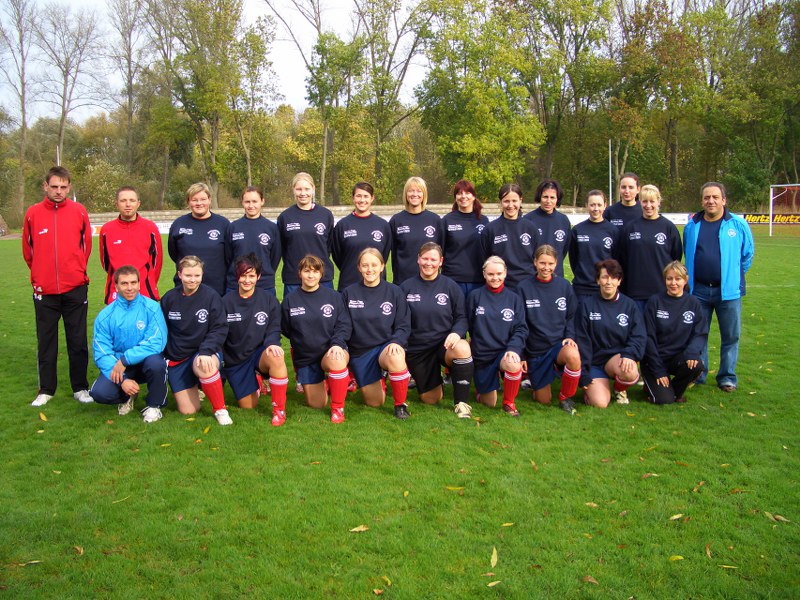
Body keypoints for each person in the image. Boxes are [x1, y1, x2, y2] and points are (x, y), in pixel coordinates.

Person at [22, 165, 93, 407]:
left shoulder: (79, 211)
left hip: (75, 288)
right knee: (46, 342)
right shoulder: (32, 214)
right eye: (54, 186)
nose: (59, 191)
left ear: (69, 187)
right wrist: (40, 277)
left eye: (63, 187)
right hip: (45, 292)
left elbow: (85, 248)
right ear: (46, 186)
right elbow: (28, 252)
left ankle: (80, 387)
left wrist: (76, 272)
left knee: (77, 341)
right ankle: (46, 389)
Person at [683, 182, 754, 392]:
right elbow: (688, 253)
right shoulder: (692, 226)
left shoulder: (738, 225)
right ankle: (699, 374)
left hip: (728, 292)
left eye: (715, 197)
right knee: (698, 334)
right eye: (707, 197)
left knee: (731, 336)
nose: (711, 201)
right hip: (699, 291)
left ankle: (727, 377)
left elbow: (747, 254)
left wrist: (732, 275)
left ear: (724, 200)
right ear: (701, 201)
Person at [400, 242, 474, 418]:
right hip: (418, 349)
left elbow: (462, 317)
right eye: (425, 258)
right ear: (418, 259)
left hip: (444, 344)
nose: (429, 263)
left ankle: (461, 404)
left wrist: (456, 333)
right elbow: (399, 321)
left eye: (433, 259)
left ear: (440, 261)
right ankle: (435, 377)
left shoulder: (450, 286)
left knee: (462, 347)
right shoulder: (406, 287)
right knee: (431, 399)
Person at [89, 265, 168, 422]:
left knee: (156, 363)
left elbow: (156, 341)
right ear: (116, 286)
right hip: (120, 366)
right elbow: (102, 352)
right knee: (100, 393)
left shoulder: (152, 308)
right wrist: (123, 380)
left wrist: (126, 359)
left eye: (133, 283)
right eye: (124, 283)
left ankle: (154, 405)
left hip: (144, 362)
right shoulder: (105, 316)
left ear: (139, 284)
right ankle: (128, 396)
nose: (130, 288)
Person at [160, 256, 233, 425]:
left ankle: (220, 410)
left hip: (202, 352)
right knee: (188, 410)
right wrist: (167, 356)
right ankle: (195, 385)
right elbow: (162, 331)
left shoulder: (211, 296)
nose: (192, 280)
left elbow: (220, 328)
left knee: (204, 364)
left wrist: (206, 351)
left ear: (202, 275)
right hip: (178, 356)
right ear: (180, 275)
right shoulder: (169, 299)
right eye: (188, 275)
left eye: (197, 275)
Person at [281, 254, 352, 423]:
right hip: (306, 357)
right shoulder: (290, 300)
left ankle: (338, 408)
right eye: (307, 271)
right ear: (300, 273)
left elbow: (344, 325)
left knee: (337, 359)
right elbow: (286, 329)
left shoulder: (334, 297)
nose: (311, 275)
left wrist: (337, 344)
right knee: (317, 404)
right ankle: (327, 382)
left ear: (321, 274)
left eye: (315, 271)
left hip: (330, 351)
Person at [342, 248, 412, 419]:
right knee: (375, 402)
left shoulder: (395, 292)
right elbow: (343, 325)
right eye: (365, 265)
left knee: (396, 355)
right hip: (361, 352)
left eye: (374, 265)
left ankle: (400, 405)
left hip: (385, 347)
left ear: (382, 266)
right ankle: (381, 377)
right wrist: (340, 345)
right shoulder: (349, 293)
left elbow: (403, 325)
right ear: (359, 267)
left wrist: (396, 341)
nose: (369, 269)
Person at [516, 245, 582, 415]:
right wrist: (522, 355)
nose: (546, 267)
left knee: (573, 355)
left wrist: (570, 336)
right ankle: (538, 383)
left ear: (556, 263)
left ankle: (566, 397)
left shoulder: (564, 286)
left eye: (550, 263)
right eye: (542, 263)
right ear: (535, 262)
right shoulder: (523, 288)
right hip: (536, 350)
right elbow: (519, 324)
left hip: (557, 345)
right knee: (543, 400)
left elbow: (571, 316)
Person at [223, 254, 289, 425]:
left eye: (251, 275)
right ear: (237, 276)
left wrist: (272, 343)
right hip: (237, 358)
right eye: (243, 275)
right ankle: (257, 382)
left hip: (260, 353)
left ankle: (279, 410)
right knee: (248, 406)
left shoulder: (268, 300)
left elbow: (274, 327)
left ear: (258, 276)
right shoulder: (225, 302)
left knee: (276, 356)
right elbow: (219, 332)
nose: (247, 280)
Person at [575, 259, 646, 408]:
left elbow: (638, 336)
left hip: (616, 359)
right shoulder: (586, 305)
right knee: (600, 403)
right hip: (594, 362)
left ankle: (619, 389)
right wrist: (584, 372)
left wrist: (629, 354)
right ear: (597, 280)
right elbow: (582, 341)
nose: (609, 282)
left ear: (619, 281)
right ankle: (595, 390)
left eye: (613, 278)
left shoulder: (629, 305)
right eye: (604, 277)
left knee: (630, 372)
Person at [466, 256, 527, 416]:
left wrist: (513, 348)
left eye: (499, 273)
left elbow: (521, 328)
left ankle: (509, 403)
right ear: (484, 274)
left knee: (513, 364)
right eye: (491, 274)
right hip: (482, 355)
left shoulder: (514, 299)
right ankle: (482, 387)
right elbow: (468, 324)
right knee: (489, 403)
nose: (495, 278)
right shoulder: (475, 296)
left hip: (503, 352)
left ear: (505, 273)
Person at [641, 261, 707, 404]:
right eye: (669, 279)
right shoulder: (655, 301)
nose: (673, 283)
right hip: (654, 359)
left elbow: (700, 333)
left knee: (696, 365)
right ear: (664, 280)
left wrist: (692, 352)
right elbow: (648, 338)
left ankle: (673, 391)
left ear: (685, 280)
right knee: (663, 400)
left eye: (678, 279)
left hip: (677, 358)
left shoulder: (693, 303)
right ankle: (655, 387)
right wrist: (658, 370)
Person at [618, 184, 682, 313]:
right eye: (644, 201)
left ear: (658, 201)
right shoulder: (630, 228)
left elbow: (676, 259)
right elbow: (623, 259)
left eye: (652, 201)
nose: (648, 205)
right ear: (640, 202)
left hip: (661, 292)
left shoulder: (668, 228)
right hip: (635, 293)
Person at [99, 186, 163, 303]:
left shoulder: (150, 228)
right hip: (116, 291)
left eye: (132, 200)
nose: (128, 204)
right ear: (117, 204)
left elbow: (157, 262)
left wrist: (147, 280)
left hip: (145, 290)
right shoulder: (107, 230)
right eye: (123, 201)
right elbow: (105, 262)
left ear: (138, 203)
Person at [277, 173, 335, 297]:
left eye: (307, 189)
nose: (303, 193)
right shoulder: (285, 217)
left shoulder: (325, 215)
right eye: (299, 189)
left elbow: (329, 246)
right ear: (293, 190)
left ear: (313, 189)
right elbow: (282, 249)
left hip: (322, 278)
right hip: (294, 280)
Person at [167, 183, 230, 296]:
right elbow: (173, 253)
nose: (199, 203)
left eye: (203, 199)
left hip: (217, 289)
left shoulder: (223, 224)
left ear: (209, 200)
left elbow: (229, 256)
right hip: (186, 289)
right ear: (188, 202)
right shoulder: (179, 224)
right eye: (194, 200)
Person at [332, 181, 391, 290]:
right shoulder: (342, 225)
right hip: (349, 284)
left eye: (366, 196)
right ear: (353, 198)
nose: (362, 200)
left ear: (372, 198)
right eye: (358, 196)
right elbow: (337, 256)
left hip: (377, 286)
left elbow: (384, 255)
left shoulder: (383, 225)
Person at [480, 183, 540, 288]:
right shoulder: (490, 230)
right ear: (500, 202)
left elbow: (538, 258)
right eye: (506, 201)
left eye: (514, 201)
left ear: (520, 200)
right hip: (501, 286)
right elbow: (484, 260)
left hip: (528, 285)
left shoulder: (531, 228)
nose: (510, 205)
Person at [225, 187, 281, 296]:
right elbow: (228, 257)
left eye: (254, 201)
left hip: (264, 285)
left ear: (262, 201)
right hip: (236, 285)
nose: (251, 205)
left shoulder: (271, 228)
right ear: (242, 202)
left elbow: (275, 257)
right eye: (247, 202)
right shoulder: (233, 227)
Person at [389, 177, 443, 285]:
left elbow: (441, 251)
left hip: (429, 282)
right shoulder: (396, 220)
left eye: (419, 191)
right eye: (411, 191)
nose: (415, 194)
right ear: (406, 194)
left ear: (424, 194)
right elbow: (392, 254)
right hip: (403, 281)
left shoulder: (435, 220)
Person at [441, 179, 489, 298]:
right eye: (459, 193)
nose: (463, 196)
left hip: (478, 280)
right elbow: (440, 250)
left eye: (467, 193)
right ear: (455, 197)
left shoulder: (484, 220)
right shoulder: (447, 220)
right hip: (453, 280)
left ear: (473, 196)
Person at [568, 190, 619, 298]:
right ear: (587, 205)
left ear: (605, 205)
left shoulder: (613, 231)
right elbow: (573, 259)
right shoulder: (577, 230)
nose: (596, 209)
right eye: (592, 205)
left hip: (604, 287)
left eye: (599, 205)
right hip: (581, 288)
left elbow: (616, 259)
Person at [523, 179, 572, 277]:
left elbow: (564, 250)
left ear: (557, 199)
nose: (548, 201)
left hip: (557, 276)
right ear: (539, 197)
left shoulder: (563, 220)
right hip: (533, 277)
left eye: (552, 197)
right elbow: (525, 251)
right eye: (545, 197)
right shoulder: (528, 220)